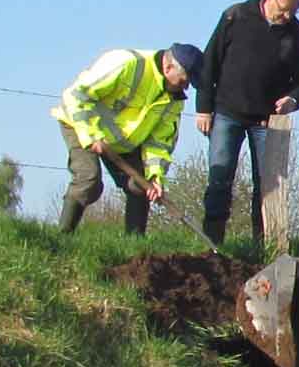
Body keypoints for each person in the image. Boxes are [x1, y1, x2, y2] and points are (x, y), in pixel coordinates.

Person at [193, 0, 299, 251]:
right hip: (227, 112)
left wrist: (293, 100)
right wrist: (203, 108)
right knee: (220, 177)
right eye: (283, 8)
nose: (287, 16)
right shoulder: (235, 17)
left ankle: (264, 249)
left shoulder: (298, 36)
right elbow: (209, 63)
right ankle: (211, 246)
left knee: (269, 188)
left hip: (267, 122)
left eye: (293, 11)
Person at [54, 40, 202, 235]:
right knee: (88, 179)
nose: (186, 87)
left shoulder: (174, 100)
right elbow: (77, 96)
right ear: (168, 67)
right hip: (79, 123)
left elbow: (159, 142)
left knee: (140, 187)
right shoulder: (126, 64)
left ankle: (135, 249)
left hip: (121, 142)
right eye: (184, 80)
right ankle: (62, 237)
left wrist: (155, 176)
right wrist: (91, 136)